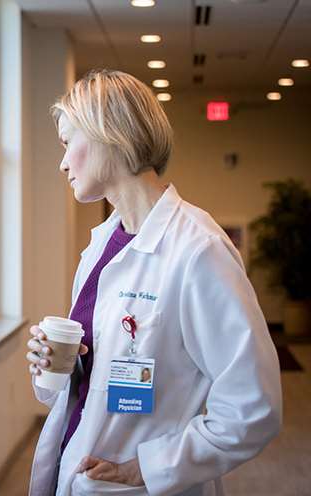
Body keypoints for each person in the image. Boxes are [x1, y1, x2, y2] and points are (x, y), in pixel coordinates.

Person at [25, 70, 281, 496]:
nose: (63, 162)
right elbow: (99, 379)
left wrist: (149, 468)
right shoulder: (104, 245)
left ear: (110, 135)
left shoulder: (198, 249)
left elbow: (253, 407)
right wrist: (60, 363)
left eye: (69, 142)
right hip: (76, 466)